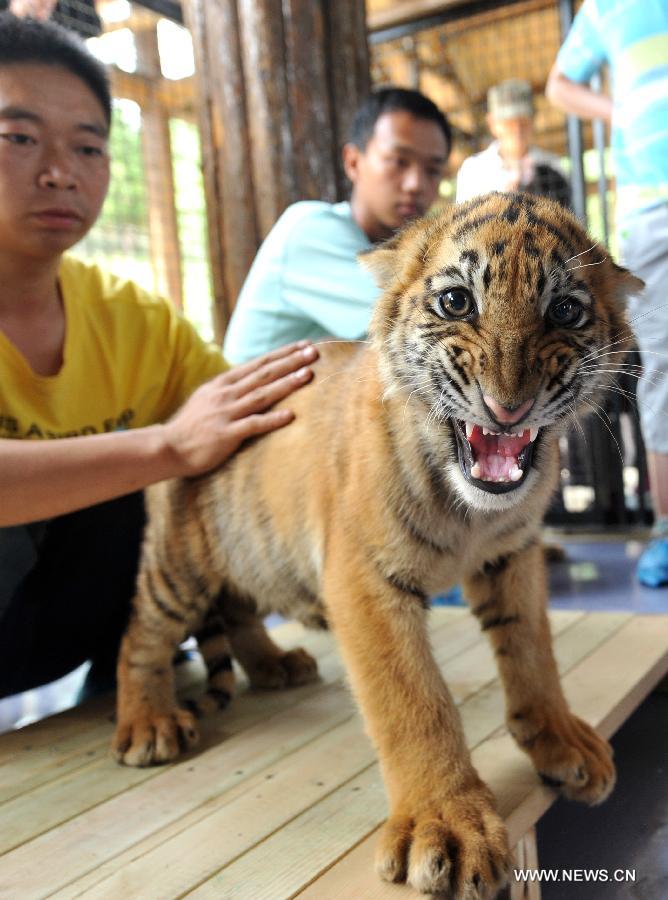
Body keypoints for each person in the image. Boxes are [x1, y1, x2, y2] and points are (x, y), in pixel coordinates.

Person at [0, 13, 319, 698]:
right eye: (18, 138)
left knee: (166, 488)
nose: (60, 173)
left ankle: (146, 675)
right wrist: (169, 446)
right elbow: (174, 447)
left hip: (57, 638)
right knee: (149, 461)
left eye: (88, 148)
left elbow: (258, 425)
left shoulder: (137, 322)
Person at [546, 0, 668, 588]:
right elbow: (561, 82)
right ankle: (667, 530)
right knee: (661, 364)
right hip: (651, 200)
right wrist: (620, 111)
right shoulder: (606, 7)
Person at [223, 87, 452, 364]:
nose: (416, 184)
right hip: (254, 406)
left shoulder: (395, 254)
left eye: (432, 170)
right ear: (353, 162)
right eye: (398, 161)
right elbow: (415, 326)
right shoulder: (309, 229)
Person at [456, 78, 571, 208]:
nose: (517, 130)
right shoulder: (474, 169)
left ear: (533, 120)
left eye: (523, 122)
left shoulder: (553, 165)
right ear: (492, 123)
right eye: (509, 123)